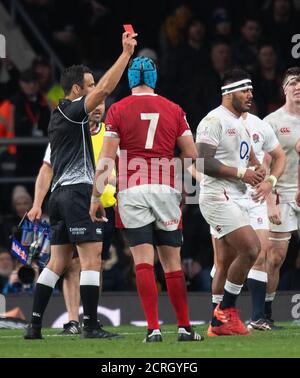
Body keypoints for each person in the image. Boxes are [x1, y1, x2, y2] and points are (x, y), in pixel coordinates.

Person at [24, 30, 137, 340]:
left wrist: (38, 203)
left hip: (58, 197)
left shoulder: (57, 117)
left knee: (56, 262)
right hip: (76, 193)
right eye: (87, 87)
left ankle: (34, 325)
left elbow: (49, 168)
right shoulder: (74, 112)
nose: (94, 92)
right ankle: (90, 326)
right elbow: (105, 88)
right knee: (91, 260)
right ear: (76, 90)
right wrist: (126, 55)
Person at [90, 56, 203, 343]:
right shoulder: (174, 109)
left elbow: (105, 159)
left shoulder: (117, 110)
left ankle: (153, 329)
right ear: (154, 78)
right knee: (172, 263)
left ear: (130, 79)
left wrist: (96, 196)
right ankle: (184, 327)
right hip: (165, 188)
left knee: (143, 261)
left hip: (131, 190)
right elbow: (191, 156)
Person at [27, 102, 115, 335]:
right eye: (93, 103)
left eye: (101, 104)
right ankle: (82, 323)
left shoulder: (111, 132)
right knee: (81, 263)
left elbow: (118, 167)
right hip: (82, 201)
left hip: (101, 204)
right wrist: (36, 203)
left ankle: (36, 325)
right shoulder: (71, 128)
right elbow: (46, 169)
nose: (98, 108)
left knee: (84, 263)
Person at [196, 68, 267, 336]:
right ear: (228, 93)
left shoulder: (240, 123)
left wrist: (260, 171)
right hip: (217, 195)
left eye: (251, 90)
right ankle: (224, 315)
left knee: (225, 260)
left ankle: (219, 320)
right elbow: (202, 161)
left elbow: (250, 159)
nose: (250, 95)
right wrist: (242, 173)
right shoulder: (214, 120)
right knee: (251, 249)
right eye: (244, 90)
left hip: (235, 195)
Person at [263, 67, 300, 328]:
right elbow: (264, 165)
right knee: (275, 257)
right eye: (293, 83)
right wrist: (270, 199)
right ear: (284, 88)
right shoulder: (271, 122)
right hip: (282, 193)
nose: (298, 87)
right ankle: (264, 312)